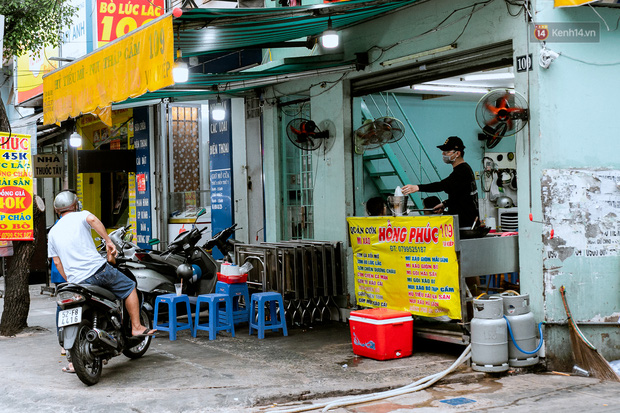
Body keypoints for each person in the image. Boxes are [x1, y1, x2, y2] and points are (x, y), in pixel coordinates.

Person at [48, 191, 156, 363]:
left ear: (57, 210)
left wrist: (70, 279)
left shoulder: (52, 232)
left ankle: (70, 357)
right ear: (75, 205)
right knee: (128, 287)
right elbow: (92, 220)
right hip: (98, 271)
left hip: (75, 281)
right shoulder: (81, 216)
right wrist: (108, 240)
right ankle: (136, 327)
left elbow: (57, 262)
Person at [402, 136, 479, 228]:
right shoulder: (463, 169)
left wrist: (418, 187)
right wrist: (445, 204)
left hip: (465, 223)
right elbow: (461, 195)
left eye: (447, 152)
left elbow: (442, 185)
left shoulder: (462, 171)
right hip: (464, 221)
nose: (443, 154)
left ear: (457, 153)